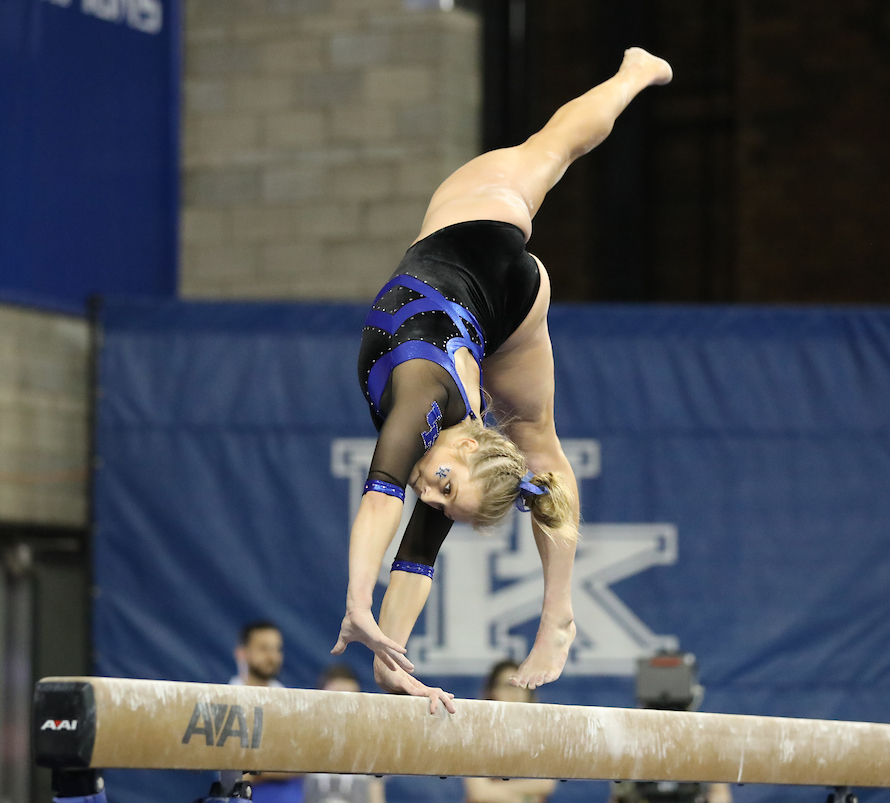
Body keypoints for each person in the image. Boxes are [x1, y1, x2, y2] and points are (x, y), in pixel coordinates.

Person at [331, 47, 674, 714]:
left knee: (542, 448)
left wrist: (386, 648)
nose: (426, 496)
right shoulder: (422, 397)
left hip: (494, 305)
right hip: (480, 226)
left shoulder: (444, 471)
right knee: (555, 145)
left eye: (436, 496)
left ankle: (558, 609)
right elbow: (380, 504)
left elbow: (418, 544)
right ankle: (633, 71)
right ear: (464, 443)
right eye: (444, 488)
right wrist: (366, 620)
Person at [230, 621, 304, 803]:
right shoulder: (228, 699)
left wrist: (259, 771)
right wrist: (281, 767)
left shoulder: (290, 701)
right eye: (263, 649)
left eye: (276, 649)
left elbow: (302, 763)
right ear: (242, 653)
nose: (272, 657)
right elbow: (238, 773)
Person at [463, 660, 556, 803]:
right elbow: (480, 793)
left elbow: (545, 784)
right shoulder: (476, 734)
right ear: (493, 691)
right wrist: (524, 798)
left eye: (521, 685)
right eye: (509, 685)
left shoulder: (539, 734)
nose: (515, 692)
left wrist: (497, 792)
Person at [303, 665, 386, 803]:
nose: (342, 709)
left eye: (349, 700)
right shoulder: (305, 741)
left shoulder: (371, 745)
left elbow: (376, 796)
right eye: (336, 699)